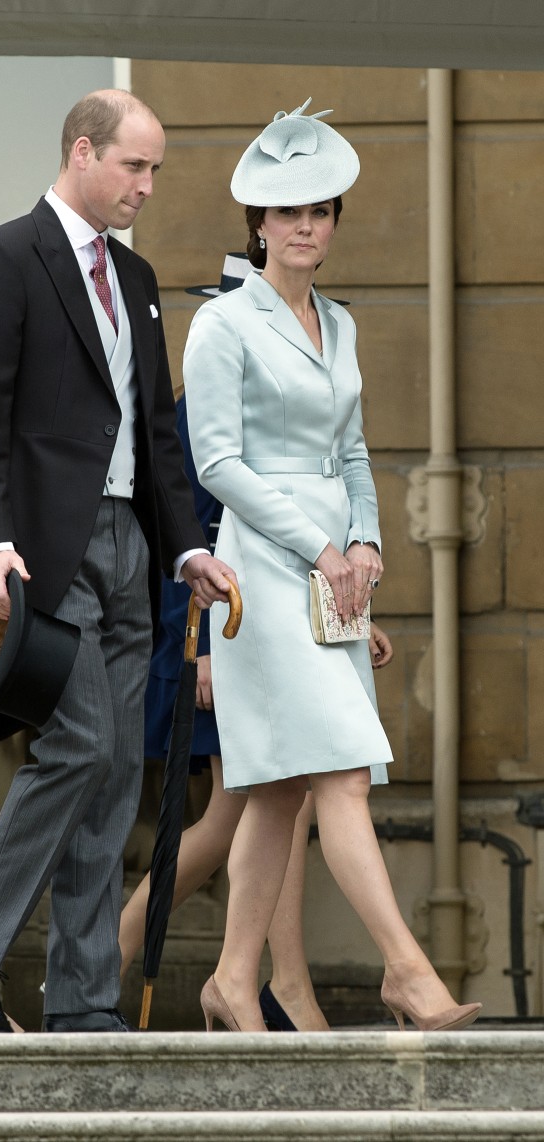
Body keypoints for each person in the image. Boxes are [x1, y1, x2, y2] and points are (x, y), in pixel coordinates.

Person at [0, 89, 235, 1034]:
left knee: (116, 771)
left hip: (131, 552)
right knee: (79, 745)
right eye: (134, 166)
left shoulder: (136, 278)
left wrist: (185, 545)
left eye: (155, 170)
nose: (148, 185)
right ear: (81, 151)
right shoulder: (2, 259)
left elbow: (151, 433)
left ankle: (85, 1000)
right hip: (40, 556)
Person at [183, 101, 482, 1033]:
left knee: (277, 787)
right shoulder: (223, 326)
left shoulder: (341, 326)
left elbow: (353, 455)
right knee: (346, 772)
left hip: (333, 574)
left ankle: (234, 978)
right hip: (262, 574)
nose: (306, 225)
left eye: (320, 209)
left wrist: (367, 547)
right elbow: (218, 465)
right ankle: (406, 970)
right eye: (288, 211)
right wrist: (320, 549)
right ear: (259, 226)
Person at [118, 273, 395, 1030]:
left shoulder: (283, 409)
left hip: (271, 626)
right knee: (235, 817)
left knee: (277, 802)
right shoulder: (198, 408)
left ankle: (262, 982)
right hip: (222, 641)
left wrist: (347, 618)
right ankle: (115, 959)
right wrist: (203, 651)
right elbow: (188, 540)